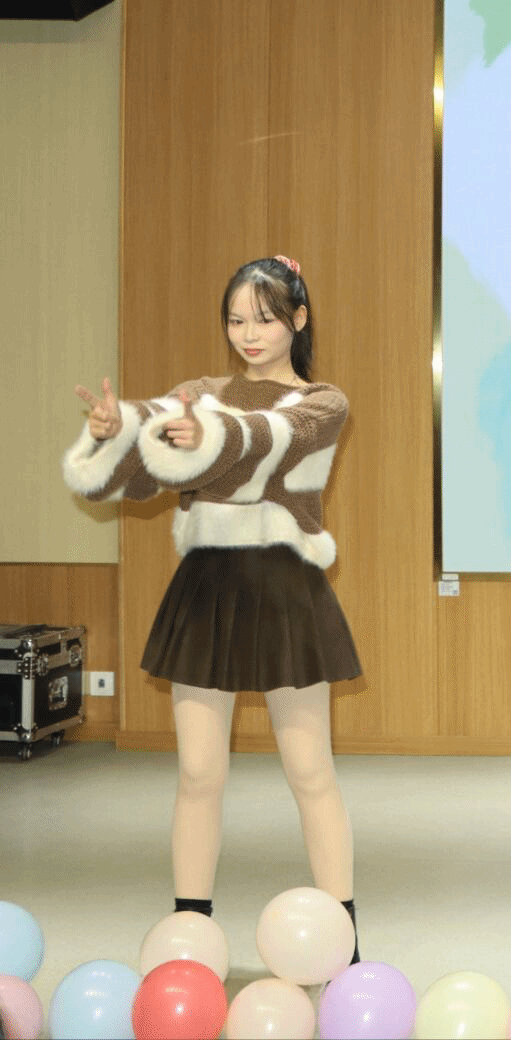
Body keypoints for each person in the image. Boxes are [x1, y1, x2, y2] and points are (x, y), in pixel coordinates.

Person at [64, 256, 361, 955]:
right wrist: (114, 432)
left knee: (310, 771)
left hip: (286, 589)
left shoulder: (324, 403)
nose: (248, 334)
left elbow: (266, 440)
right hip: (206, 589)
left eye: (265, 319)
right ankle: (190, 935)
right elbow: (133, 476)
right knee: (199, 773)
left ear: (299, 319)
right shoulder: (199, 394)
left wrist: (207, 437)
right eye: (235, 320)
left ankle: (344, 939)